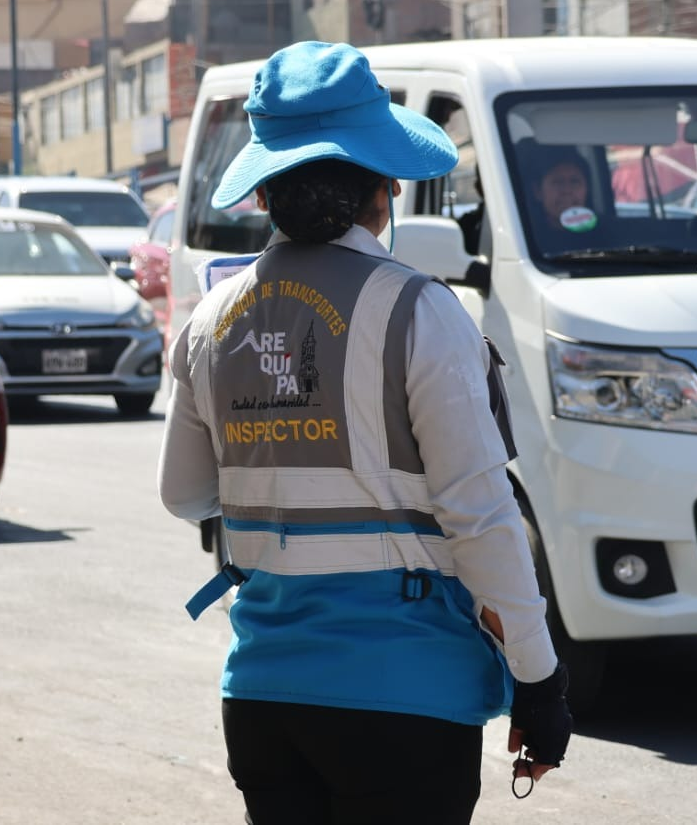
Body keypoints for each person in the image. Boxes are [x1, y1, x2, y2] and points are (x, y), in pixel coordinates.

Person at [157, 41, 571, 825]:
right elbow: (480, 516)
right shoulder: (419, 310)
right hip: (405, 704)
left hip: (263, 697)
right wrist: (540, 678)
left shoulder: (212, 321)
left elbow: (184, 496)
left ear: (266, 192)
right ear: (383, 186)